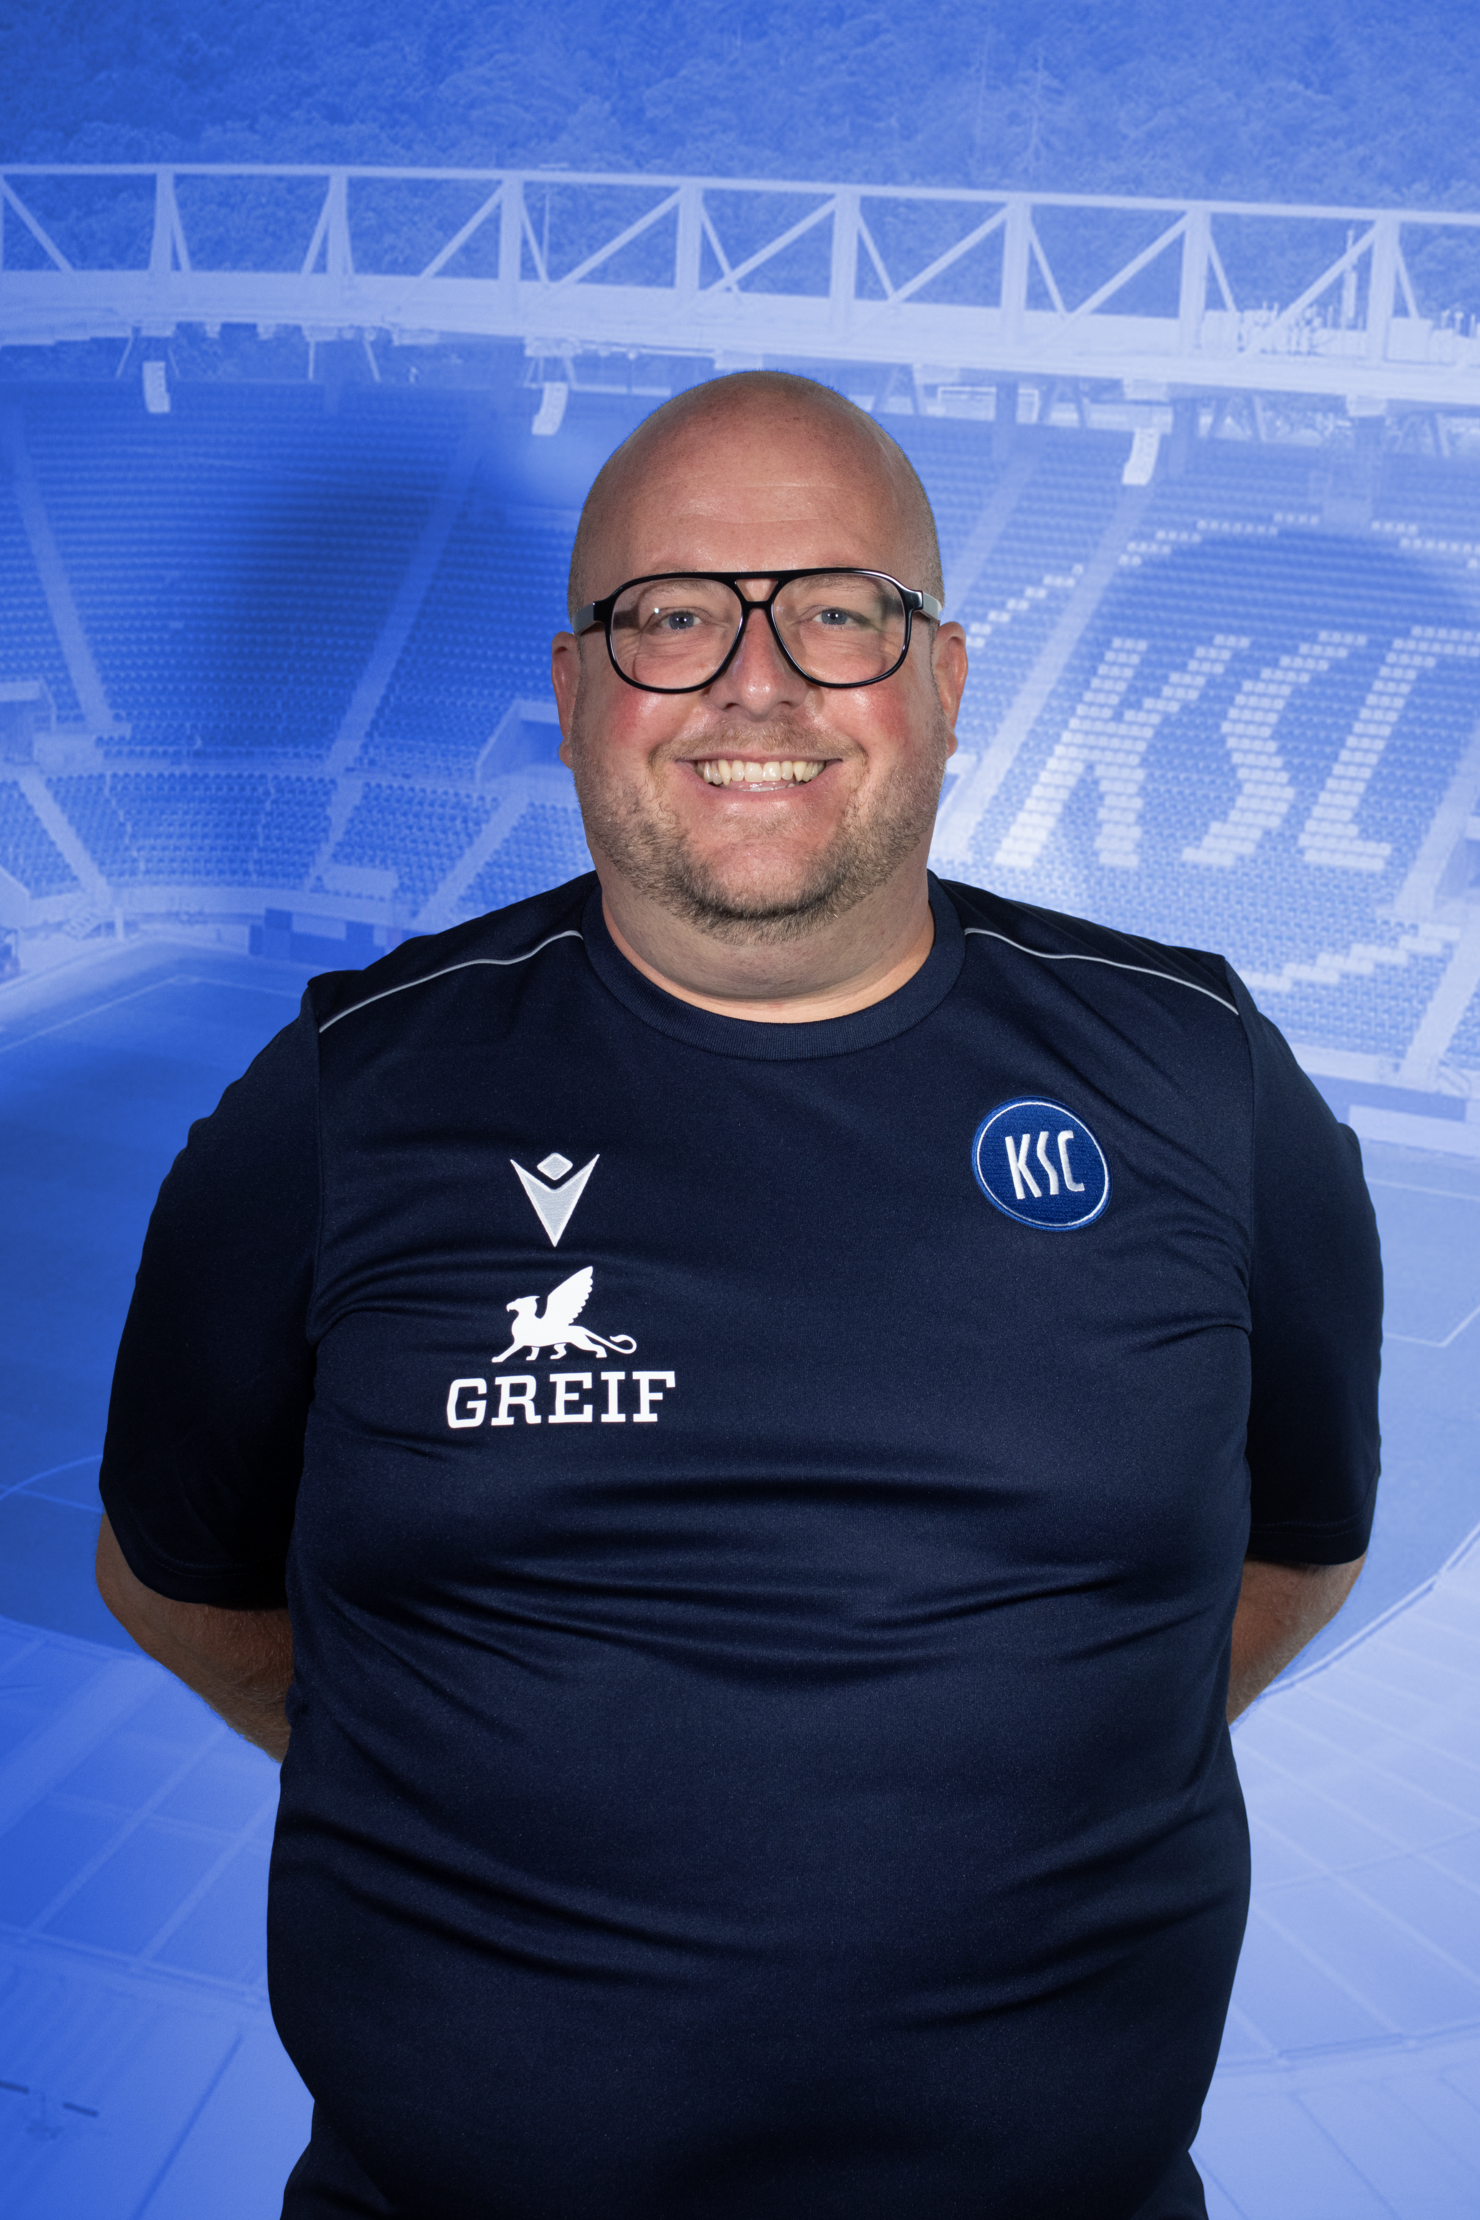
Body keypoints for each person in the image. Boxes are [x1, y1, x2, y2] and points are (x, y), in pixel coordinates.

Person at [96, 372, 1380, 2220]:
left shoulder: (1200, 1077)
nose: (754, 684)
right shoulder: (341, 1099)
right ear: (574, 694)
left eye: (838, 613)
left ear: (946, 679)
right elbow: (177, 1580)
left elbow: (1299, 1546)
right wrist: (463, 1782)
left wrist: (1066, 1752)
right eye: (673, 615)